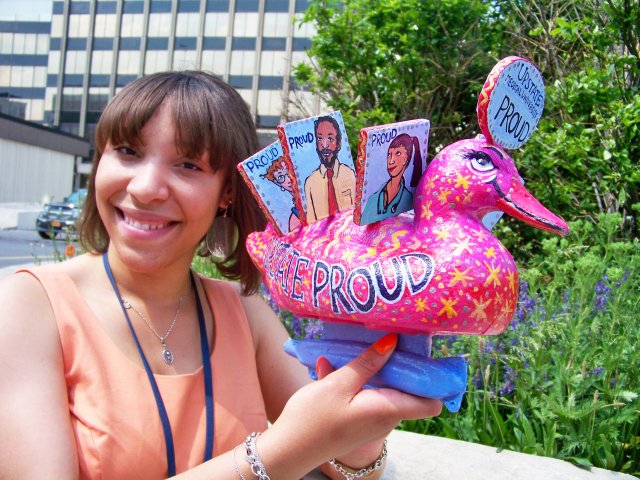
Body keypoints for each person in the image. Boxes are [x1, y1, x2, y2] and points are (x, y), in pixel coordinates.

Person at [0, 71, 441, 480]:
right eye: (128, 152)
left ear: (227, 192)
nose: (145, 188)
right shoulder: (28, 304)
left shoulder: (242, 310)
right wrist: (268, 455)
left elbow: (335, 451)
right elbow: (294, 444)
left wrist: (362, 433)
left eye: (188, 165)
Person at [361, 133, 423, 225]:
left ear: (406, 158)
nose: (391, 161)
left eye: (398, 153)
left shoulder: (409, 199)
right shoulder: (373, 200)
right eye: (389, 155)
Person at [303, 116, 356, 223]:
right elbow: (311, 223)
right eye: (319, 139)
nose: (324, 145)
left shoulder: (349, 174)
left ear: (339, 144)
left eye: (330, 139)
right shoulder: (310, 183)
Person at [261, 156, 301, 232]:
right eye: (280, 177)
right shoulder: (294, 218)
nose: (288, 179)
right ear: (278, 184)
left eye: (289, 171)